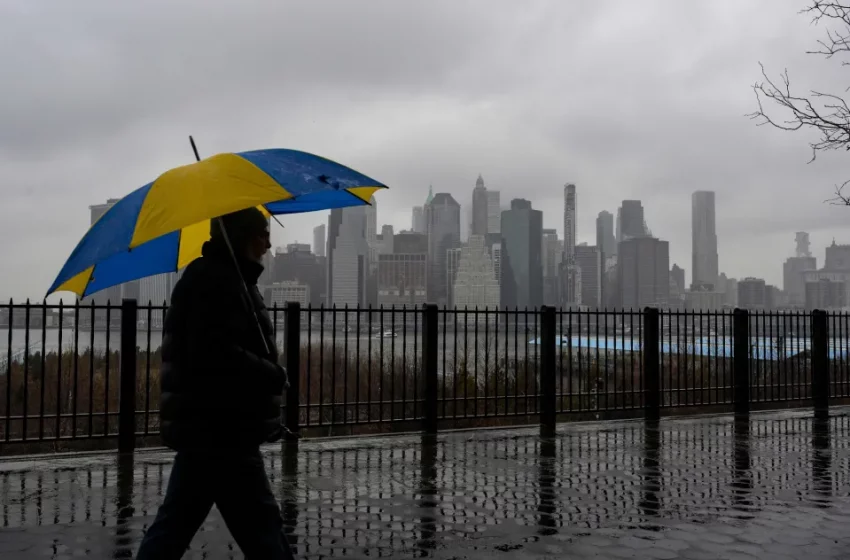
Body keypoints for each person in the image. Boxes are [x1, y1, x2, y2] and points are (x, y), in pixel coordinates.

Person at [136, 208, 294, 560]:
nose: (268, 243)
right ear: (243, 237)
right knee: (262, 530)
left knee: (177, 524)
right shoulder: (214, 280)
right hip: (222, 427)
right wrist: (273, 374)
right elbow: (214, 352)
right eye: (262, 234)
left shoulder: (227, 278)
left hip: (211, 427)